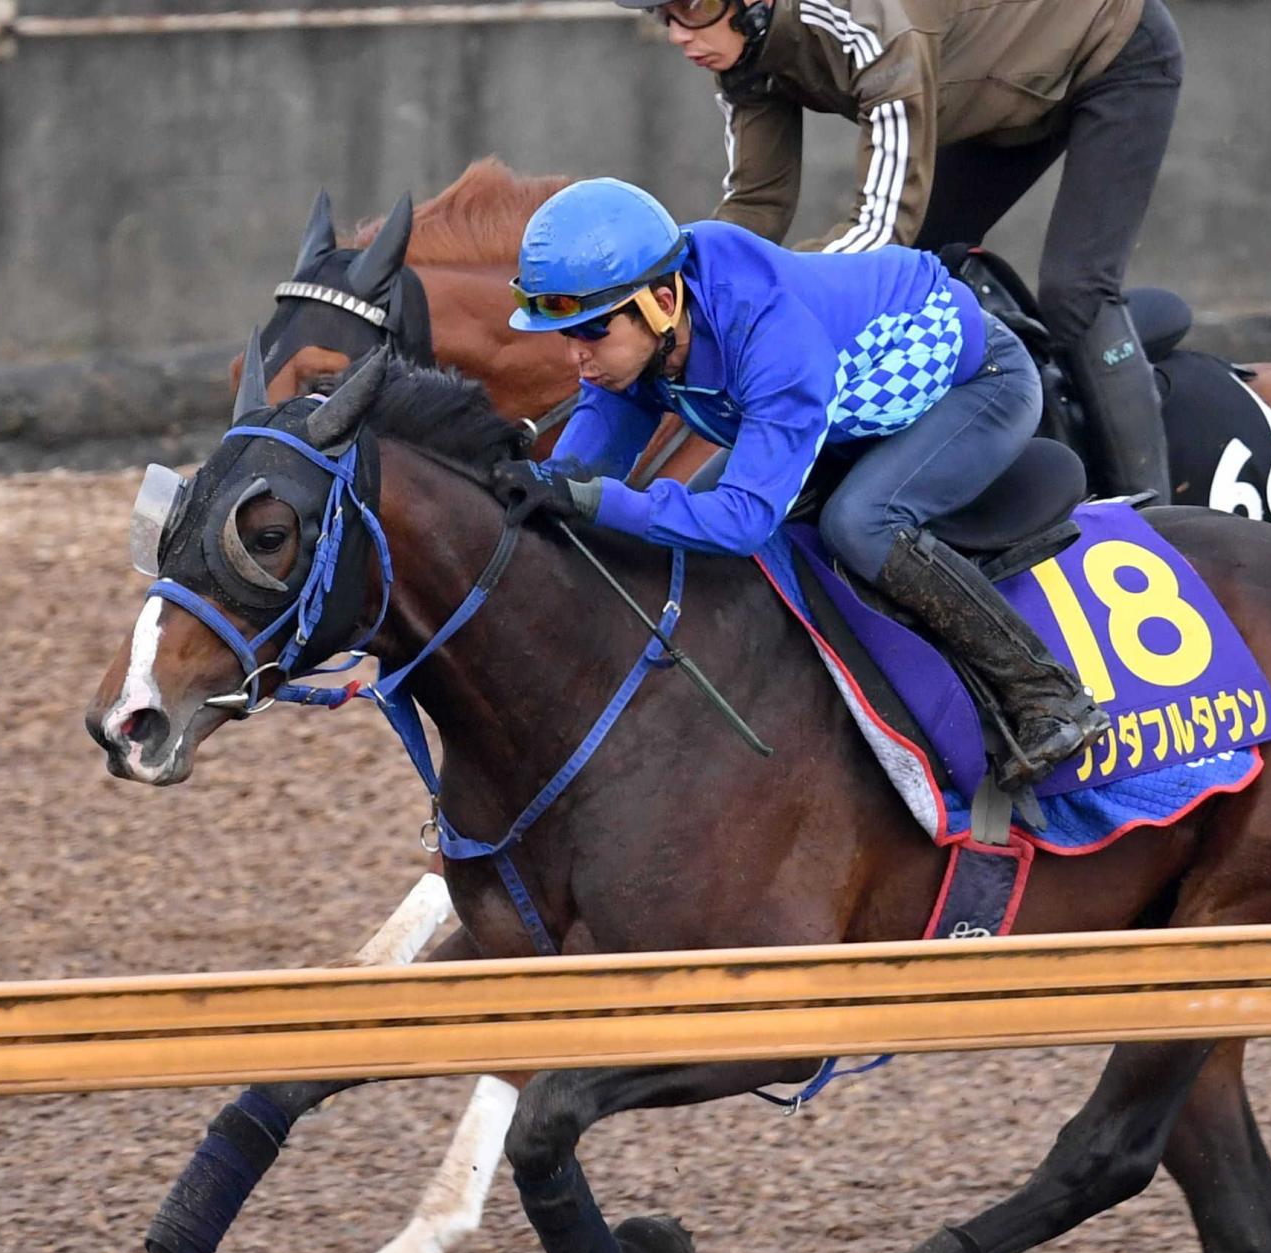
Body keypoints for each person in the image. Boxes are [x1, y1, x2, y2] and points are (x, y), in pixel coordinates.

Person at [493, 177, 1108, 790]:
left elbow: (740, 521)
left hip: (981, 385)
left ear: (660, 302)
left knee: (860, 524)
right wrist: (541, 483)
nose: (575, 356)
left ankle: (1047, 694)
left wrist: (592, 500)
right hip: (845, 417)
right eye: (566, 335)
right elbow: (589, 458)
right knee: (685, 530)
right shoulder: (656, 334)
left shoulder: (772, 335)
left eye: (592, 331)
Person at [614, 0, 1183, 505]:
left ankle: (1157, 510)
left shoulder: (870, 28)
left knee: (1073, 290)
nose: (677, 34)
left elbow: (879, 228)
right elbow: (755, 205)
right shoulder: (742, 54)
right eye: (663, 15)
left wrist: (763, 306)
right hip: (990, 95)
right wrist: (670, 296)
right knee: (916, 286)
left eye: (690, 7)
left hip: (1112, 56)